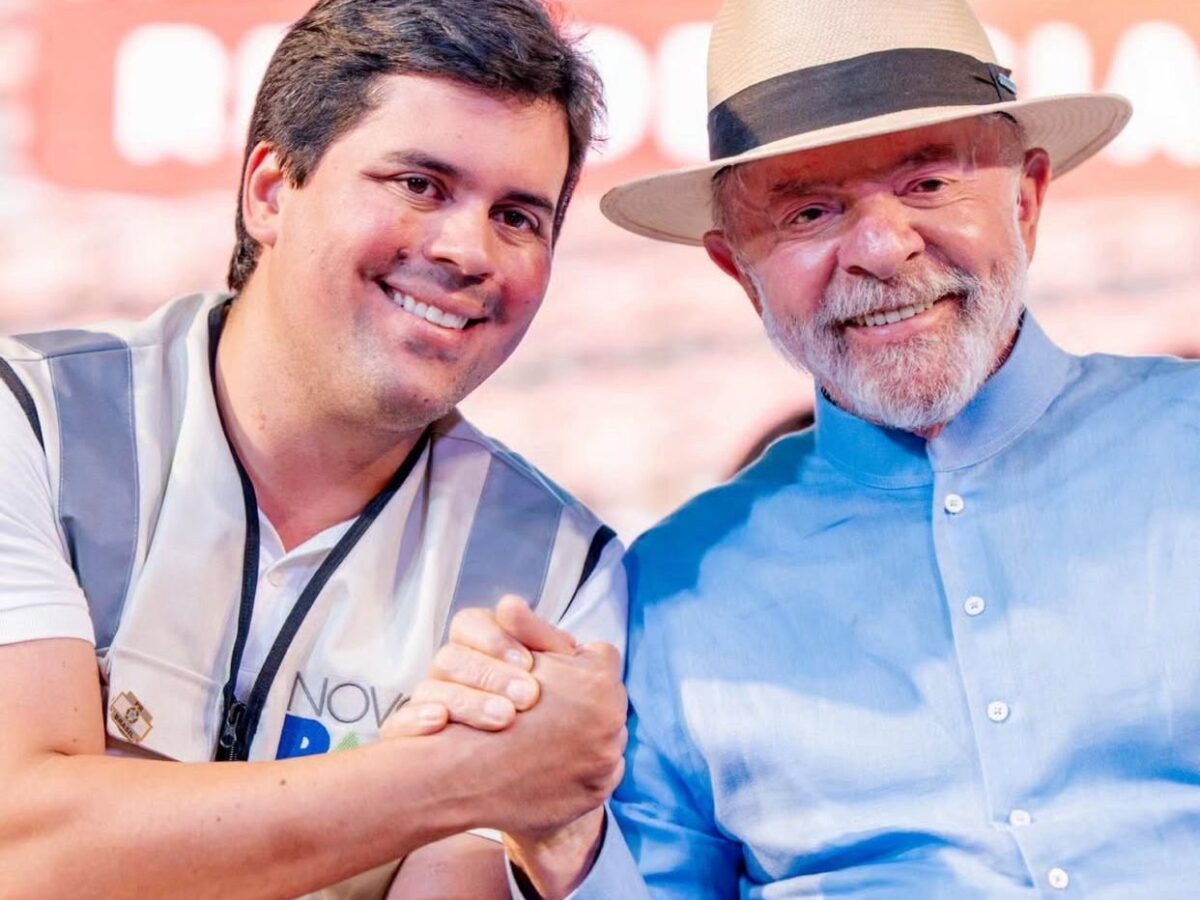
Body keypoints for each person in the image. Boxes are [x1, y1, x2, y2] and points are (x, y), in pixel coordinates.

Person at [411, 0, 1200, 895]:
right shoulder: (671, 590)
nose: (882, 249)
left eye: (927, 184)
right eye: (810, 212)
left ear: (1027, 199)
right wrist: (561, 844)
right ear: (738, 270)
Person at [0, 0, 629, 897]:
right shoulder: (33, 421)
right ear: (269, 191)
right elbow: (24, 846)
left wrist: (546, 825)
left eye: (519, 217)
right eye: (419, 184)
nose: (468, 250)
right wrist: (453, 778)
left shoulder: (557, 571)